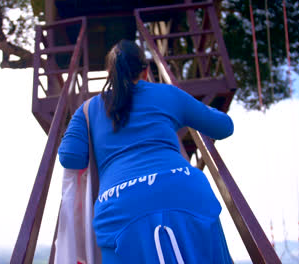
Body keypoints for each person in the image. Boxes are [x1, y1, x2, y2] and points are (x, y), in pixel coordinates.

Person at [58, 39, 234, 263]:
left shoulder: (87, 109)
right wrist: (197, 109)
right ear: (145, 70)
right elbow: (224, 127)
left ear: (109, 74)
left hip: (119, 204)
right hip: (184, 188)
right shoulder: (169, 94)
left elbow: (70, 157)